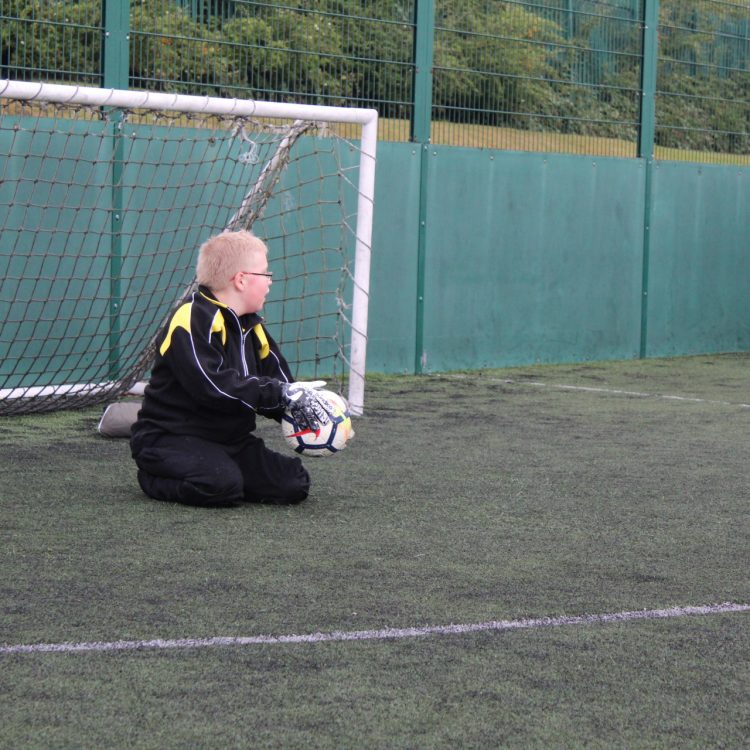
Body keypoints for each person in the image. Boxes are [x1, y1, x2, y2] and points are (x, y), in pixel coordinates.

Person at [130, 230, 333, 507]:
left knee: (293, 483)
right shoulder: (192, 318)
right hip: (170, 438)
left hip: (230, 440)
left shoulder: (253, 327)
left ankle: (226, 472)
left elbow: (280, 384)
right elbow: (213, 387)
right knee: (220, 485)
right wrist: (279, 393)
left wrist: (311, 409)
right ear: (241, 279)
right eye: (266, 273)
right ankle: (152, 477)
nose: (270, 281)